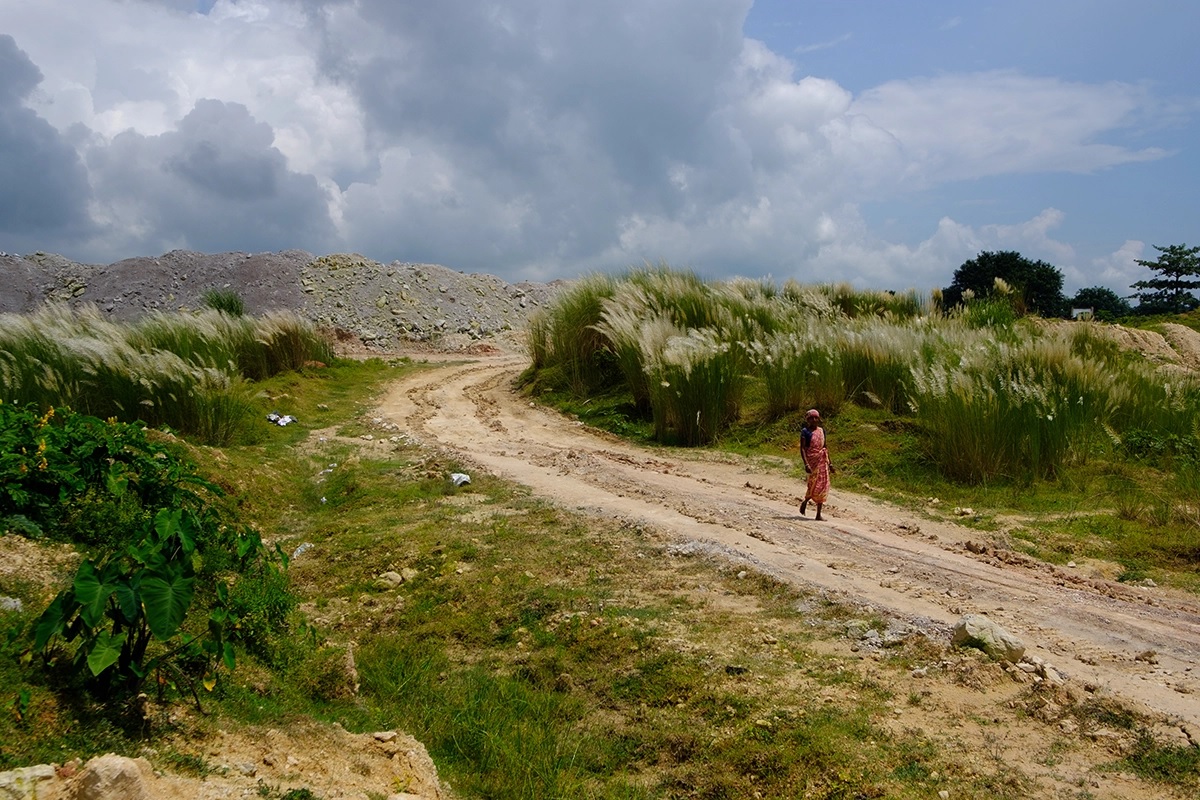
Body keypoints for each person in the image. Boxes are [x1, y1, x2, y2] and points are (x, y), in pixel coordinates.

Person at [799, 408, 832, 521]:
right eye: (811, 418)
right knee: (813, 484)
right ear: (808, 420)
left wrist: (830, 463)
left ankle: (818, 514)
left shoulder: (822, 431)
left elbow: (825, 447)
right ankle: (806, 500)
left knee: (822, 486)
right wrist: (806, 464)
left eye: (816, 417)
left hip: (822, 461)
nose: (814, 420)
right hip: (812, 461)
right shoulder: (805, 432)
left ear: (818, 419)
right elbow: (803, 449)